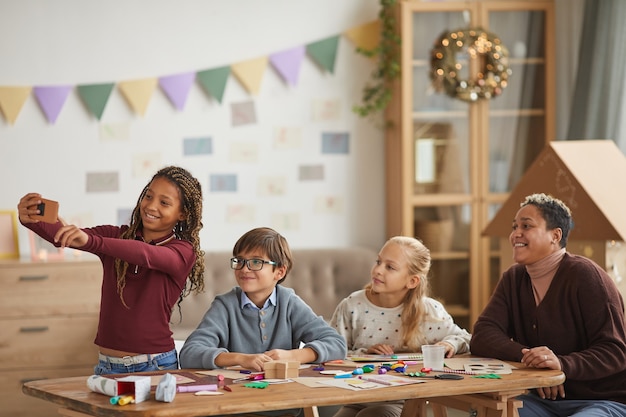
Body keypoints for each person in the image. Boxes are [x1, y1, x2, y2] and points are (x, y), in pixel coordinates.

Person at [17, 165, 205, 375]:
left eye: (164, 202)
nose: (151, 206)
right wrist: (29, 219)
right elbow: (64, 235)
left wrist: (94, 242)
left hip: (154, 365)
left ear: (183, 213)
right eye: (148, 196)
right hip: (107, 366)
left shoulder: (182, 251)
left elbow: (145, 254)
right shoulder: (114, 237)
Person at [470, 193, 626, 417]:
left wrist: (561, 365)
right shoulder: (513, 279)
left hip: (603, 400)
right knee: (490, 413)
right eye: (515, 227)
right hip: (542, 401)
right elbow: (483, 335)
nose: (516, 234)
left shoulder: (586, 276)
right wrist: (533, 359)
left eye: (526, 226)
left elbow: (615, 351)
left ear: (555, 235)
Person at [329, 236, 471, 417]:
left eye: (390, 267)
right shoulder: (351, 306)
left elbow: (467, 338)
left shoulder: (428, 312)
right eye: (378, 261)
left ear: (412, 281)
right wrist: (364, 355)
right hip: (357, 398)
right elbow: (332, 352)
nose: (378, 270)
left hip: (403, 403)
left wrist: (449, 344)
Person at [179, 226, 347, 373]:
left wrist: (293, 356)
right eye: (240, 261)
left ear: (279, 272)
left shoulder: (288, 302)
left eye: (256, 262)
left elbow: (337, 344)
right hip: (236, 401)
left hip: (285, 401)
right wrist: (240, 359)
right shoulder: (225, 305)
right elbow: (189, 353)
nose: (244, 269)